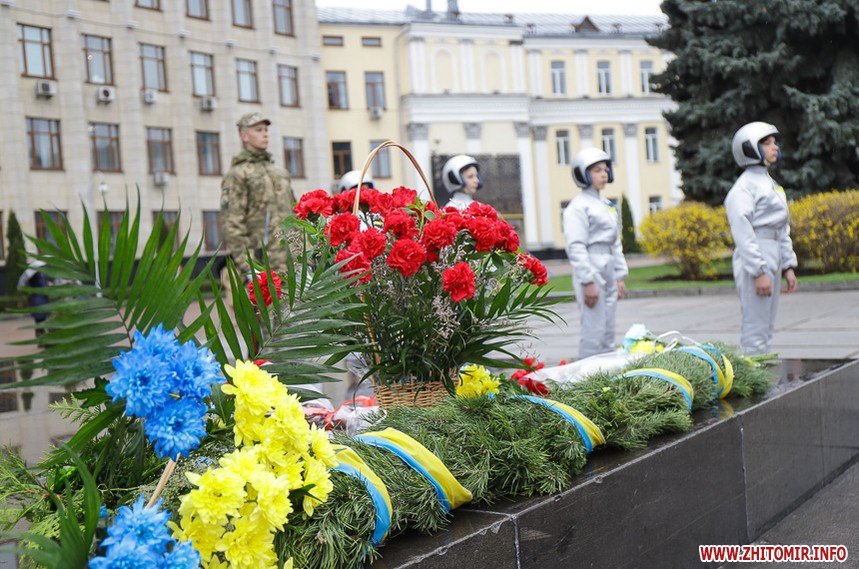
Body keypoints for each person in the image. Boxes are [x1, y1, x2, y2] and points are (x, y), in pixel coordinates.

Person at [725, 121, 798, 355]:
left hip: (773, 251)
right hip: (757, 253)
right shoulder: (744, 187)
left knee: (766, 328)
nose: (774, 147)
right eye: (766, 143)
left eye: (775, 142)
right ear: (749, 148)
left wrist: (788, 266)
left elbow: (782, 228)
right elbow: (743, 232)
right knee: (755, 328)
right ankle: (752, 371)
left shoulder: (771, 184)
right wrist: (758, 271)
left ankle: (762, 371)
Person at [563, 148, 629, 359]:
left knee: (608, 330)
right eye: (597, 170)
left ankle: (606, 374)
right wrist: (588, 280)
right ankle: (587, 374)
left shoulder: (606, 205)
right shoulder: (578, 207)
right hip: (591, 265)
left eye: (606, 169)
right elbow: (576, 245)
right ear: (583, 173)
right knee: (594, 329)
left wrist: (620, 276)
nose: (604, 174)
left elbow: (615, 242)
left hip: (608, 264)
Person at [220, 112, 296, 280]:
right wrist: (250, 268)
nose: (265, 134)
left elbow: (295, 215)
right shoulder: (237, 174)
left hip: (292, 264)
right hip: (263, 267)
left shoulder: (279, 172)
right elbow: (232, 223)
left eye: (266, 130)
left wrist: (306, 257)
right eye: (259, 130)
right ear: (244, 136)